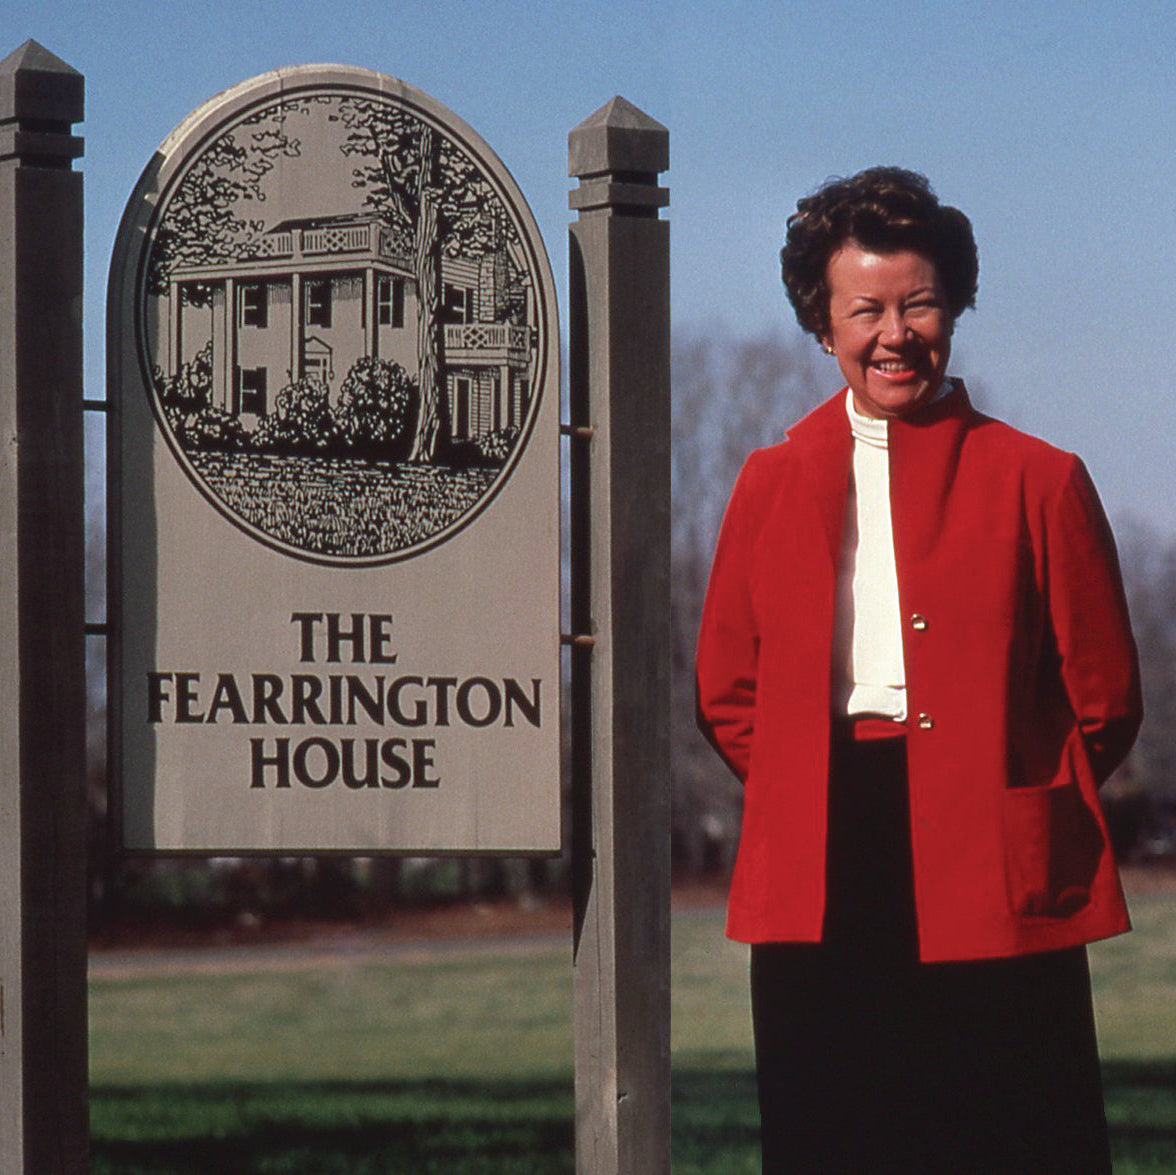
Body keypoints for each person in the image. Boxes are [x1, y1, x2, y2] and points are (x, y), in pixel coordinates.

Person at [695, 166, 1142, 1173]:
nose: (896, 333)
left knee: (1013, 1133)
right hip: (823, 851)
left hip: (993, 847)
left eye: (920, 303)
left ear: (954, 309)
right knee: (836, 1132)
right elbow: (727, 691)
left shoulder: (1043, 479)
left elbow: (1105, 698)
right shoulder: (769, 482)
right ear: (824, 324)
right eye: (868, 310)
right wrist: (809, 786)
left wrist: (1010, 785)